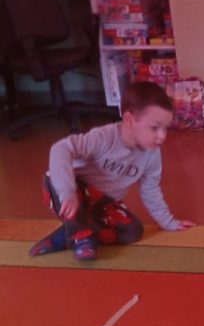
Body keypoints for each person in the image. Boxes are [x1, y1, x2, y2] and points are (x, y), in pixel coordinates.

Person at [29, 80, 195, 262]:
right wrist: (67, 192)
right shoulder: (104, 137)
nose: (162, 136)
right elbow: (60, 149)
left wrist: (168, 222)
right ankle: (82, 238)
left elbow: (151, 189)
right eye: (155, 128)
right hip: (71, 194)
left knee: (133, 231)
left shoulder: (152, 154)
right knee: (57, 183)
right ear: (129, 120)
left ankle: (67, 236)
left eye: (165, 128)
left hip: (101, 203)